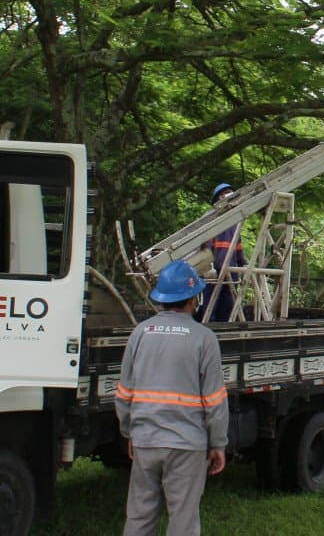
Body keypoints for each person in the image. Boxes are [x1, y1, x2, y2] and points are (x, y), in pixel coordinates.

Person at [116, 259, 229, 536]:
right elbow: (215, 400)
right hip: (187, 445)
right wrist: (217, 444)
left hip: (146, 440)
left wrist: (130, 431)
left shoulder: (140, 333)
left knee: (139, 517)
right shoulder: (204, 339)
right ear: (193, 299)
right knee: (183, 520)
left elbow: (124, 393)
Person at [199, 183, 246, 322]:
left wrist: (243, 263)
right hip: (214, 268)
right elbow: (203, 244)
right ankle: (209, 327)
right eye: (225, 193)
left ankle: (225, 328)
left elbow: (238, 246)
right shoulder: (210, 218)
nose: (228, 195)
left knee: (228, 303)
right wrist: (207, 266)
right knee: (210, 303)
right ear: (218, 199)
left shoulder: (235, 220)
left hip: (231, 268)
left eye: (230, 192)